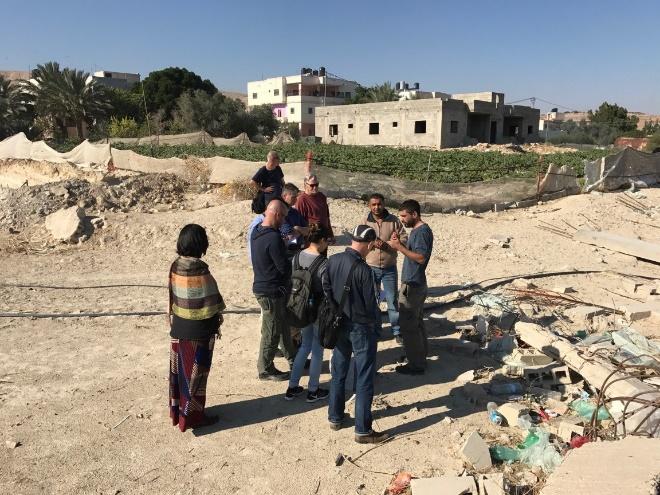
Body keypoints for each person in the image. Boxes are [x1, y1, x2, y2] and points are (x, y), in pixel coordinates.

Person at [324, 225, 390, 444]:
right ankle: (362, 430)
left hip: (339, 323)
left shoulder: (332, 261)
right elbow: (373, 304)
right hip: (361, 328)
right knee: (363, 378)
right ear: (370, 243)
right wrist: (377, 328)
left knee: (339, 372)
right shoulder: (365, 271)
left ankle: (335, 417)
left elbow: (325, 287)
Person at [168, 224, 226, 432]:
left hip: (179, 329)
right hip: (199, 333)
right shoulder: (200, 269)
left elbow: (172, 295)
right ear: (201, 244)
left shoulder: (175, 266)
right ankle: (193, 418)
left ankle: (179, 413)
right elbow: (213, 302)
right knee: (197, 378)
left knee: (181, 376)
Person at [251, 198, 296, 380]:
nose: (284, 221)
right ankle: (265, 369)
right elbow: (283, 268)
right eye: (283, 216)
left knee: (283, 324)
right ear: (276, 214)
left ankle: (293, 358)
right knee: (271, 331)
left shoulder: (257, 232)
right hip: (271, 291)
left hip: (264, 287)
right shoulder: (273, 237)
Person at [387, 199, 434, 375]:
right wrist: (401, 244)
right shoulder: (417, 231)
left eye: (404, 216)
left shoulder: (421, 232)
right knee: (417, 322)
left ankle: (416, 364)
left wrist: (399, 247)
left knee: (409, 326)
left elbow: (421, 258)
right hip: (415, 282)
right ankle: (419, 356)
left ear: (414, 214)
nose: (402, 220)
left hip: (413, 285)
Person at [285, 223, 330, 402]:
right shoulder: (323, 263)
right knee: (318, 350)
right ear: (321, 240)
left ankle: (293, 386)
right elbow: (327, 288)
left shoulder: (296, 257)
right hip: (317, 309)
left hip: (300, 308)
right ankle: (313, 390)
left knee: (304, 346)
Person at [363, 193, 408, 344]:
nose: (376, 207)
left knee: (392, 301)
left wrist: (388, 244)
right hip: (370, 267)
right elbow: (359, 241)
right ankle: (376, 330)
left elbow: (404, 239)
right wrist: (371, 243)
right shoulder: (365, 221)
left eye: (379, 204)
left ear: (384, 204)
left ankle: (396, 331)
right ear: (369, 206)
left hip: (389, 268)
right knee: (373, 301)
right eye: (373, 204)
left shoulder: (394, 221)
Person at [295, 174, 335, 244]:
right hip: (312, 236)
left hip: (324, 235)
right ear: (305, 185)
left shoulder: (321, 196)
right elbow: (300, 222)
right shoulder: (301, 200)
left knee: (323, 254)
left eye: (317, 184)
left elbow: (326, 216)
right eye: (312, 185)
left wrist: (330, 234)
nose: (315, 187)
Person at [281, 182, 309, 256]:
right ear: (284, 196)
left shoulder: (295, 212)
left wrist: (297, 228)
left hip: (299, 250)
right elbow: (289, 236)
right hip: (286, 252)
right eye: (293, 197)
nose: (296, 200)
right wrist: (300, 232)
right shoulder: (280, 213)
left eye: (296, 197)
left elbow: (308, 230)